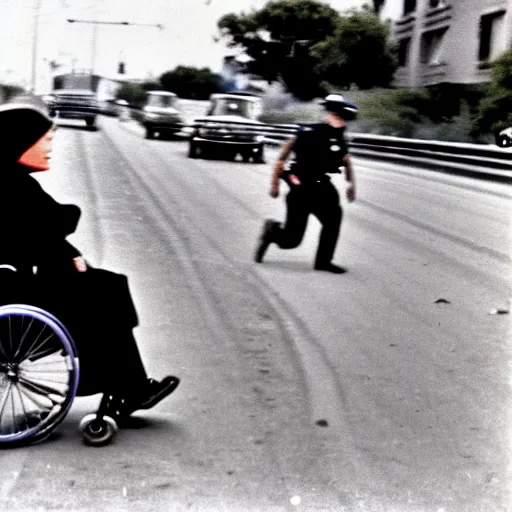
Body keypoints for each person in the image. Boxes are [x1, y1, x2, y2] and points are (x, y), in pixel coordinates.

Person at [0, 103, 179, 415]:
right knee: (103, 295)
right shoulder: (9, 185)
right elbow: (50, 224)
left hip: (15, 282)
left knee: (103, 288)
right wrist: (67, 250)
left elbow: (42, 230)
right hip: (11, 291)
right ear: (20, 141)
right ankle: (127, 387)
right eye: (44, 139)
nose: (50, 146)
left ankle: (126, 385)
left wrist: (68, 253)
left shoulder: (12, 181)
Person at [254, 94, 357, 274]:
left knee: (333, 219)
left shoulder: (339, 137)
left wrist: (351, 185)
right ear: (331, 114)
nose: (341, 120)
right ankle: (272, 232)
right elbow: (282, 158)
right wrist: (274, 185)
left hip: (322, 185)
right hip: (301, 186)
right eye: (337, 115)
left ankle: (323, 261)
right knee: (291, 241)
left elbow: (346, 161)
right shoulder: (309, 131)